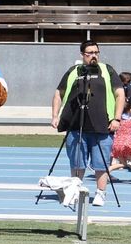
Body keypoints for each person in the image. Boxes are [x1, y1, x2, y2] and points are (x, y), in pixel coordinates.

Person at [51, 40, 124, 208]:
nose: (93, 56)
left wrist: (117, 118)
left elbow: (120, 93)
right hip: (76, 124)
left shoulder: (107, 70)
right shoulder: (73, 71)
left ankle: (101, 193)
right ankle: (75, 189)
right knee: (77, 162)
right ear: (82, 55)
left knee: (101, 162)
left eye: (96, 52)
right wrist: (55, 115)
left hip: (102, 125)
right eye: (89, 53)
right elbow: (58, 93)